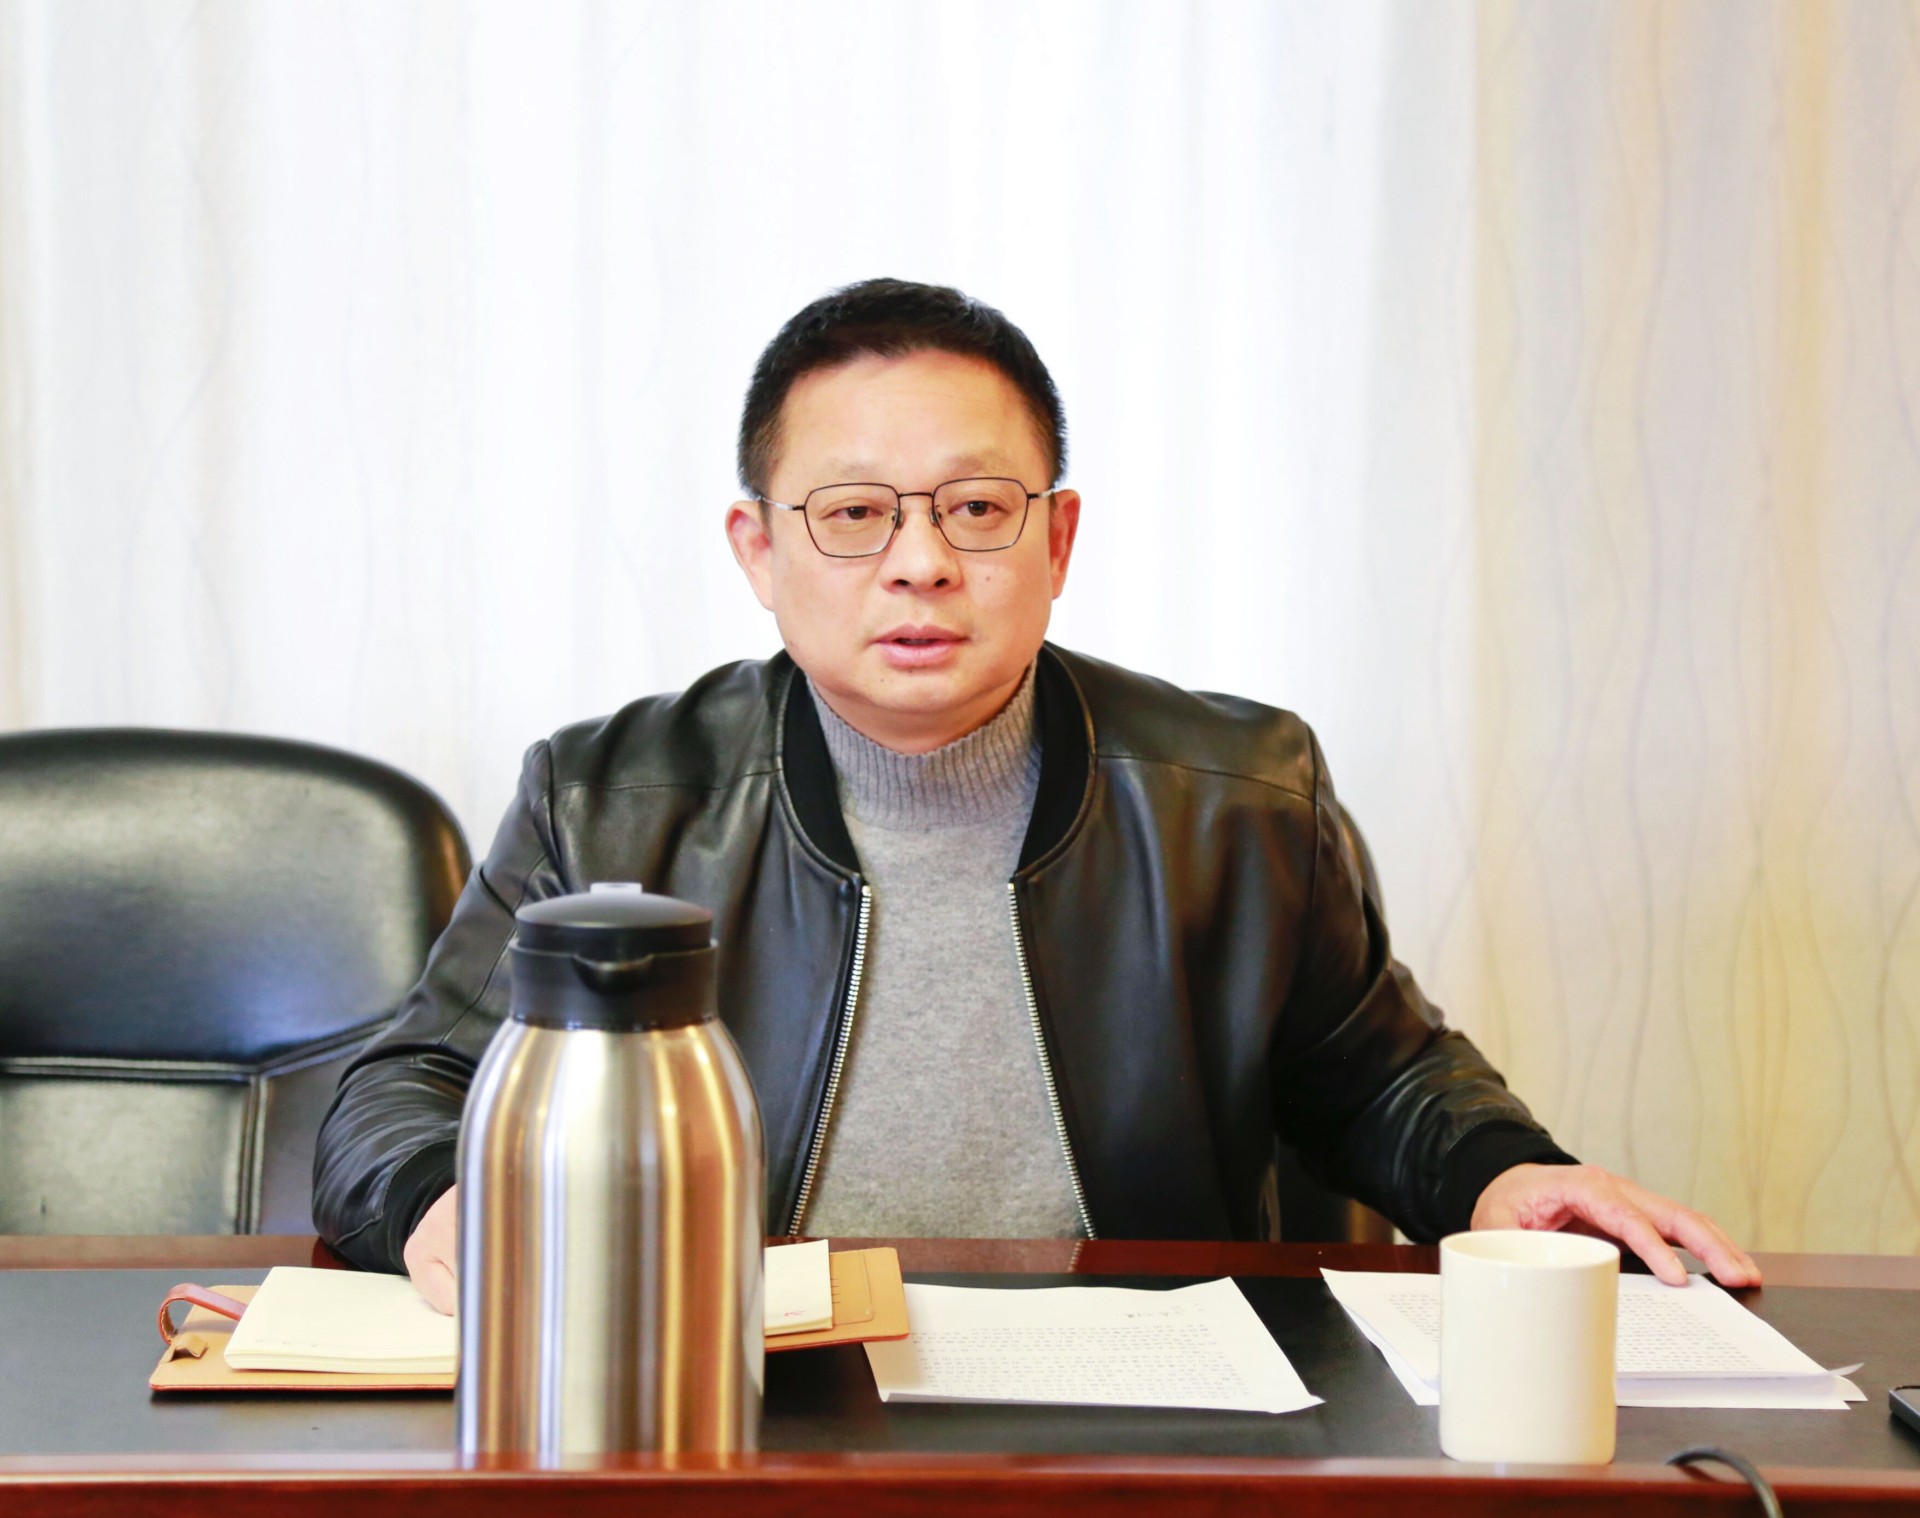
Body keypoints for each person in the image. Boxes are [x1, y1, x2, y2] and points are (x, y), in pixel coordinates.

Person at [312, 278, 1758, 1314]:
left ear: (1056, 540)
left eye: (977, 509)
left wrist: (1508, 1179)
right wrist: (446, 1203)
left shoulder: (1237, 796)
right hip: (741, 1398)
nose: (921, 562)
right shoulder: (609, 796)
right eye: (854, 513)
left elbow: (1379, 1076)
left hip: (1139, 1414)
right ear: (758, 550)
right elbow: (401, 1090)